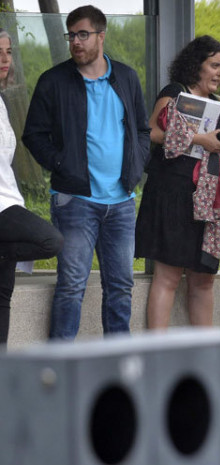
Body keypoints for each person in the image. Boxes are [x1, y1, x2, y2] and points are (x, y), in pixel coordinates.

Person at [23, 5, 150, 341]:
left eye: (83, 34)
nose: (75, 42)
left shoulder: (126, 77)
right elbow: (33, 135)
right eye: (71, 35)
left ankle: (116, 372)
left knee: (121, 288)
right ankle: (61, 372)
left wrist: (136, 166)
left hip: (122, 201)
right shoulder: (53, 81)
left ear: (101, 36)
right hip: (75, 200)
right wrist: (62, 164)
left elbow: (141, 129)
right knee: (71, 288)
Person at [134, 35, 220, 329]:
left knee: (203, 279)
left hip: (209, 199)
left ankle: (203, 355)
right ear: (195, 66)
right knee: (168, 276)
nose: (219, 73)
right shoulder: (175, 92)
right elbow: (151, 131)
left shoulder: (218, 103)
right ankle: (159, 356)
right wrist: (198, 139)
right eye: (214, 65)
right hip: (173, 193)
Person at [0, 29, 64, 345]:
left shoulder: (0, 100)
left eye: (8, 52)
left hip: (10, 197)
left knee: (2, 297)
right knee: (51, 240)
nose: (4, 59)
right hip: (2, 206)